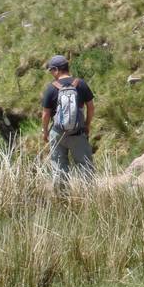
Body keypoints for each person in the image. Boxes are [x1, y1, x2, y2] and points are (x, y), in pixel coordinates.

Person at [40, 55, 95, 192]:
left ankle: (62, 199)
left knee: (59, 167)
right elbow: (91, 107)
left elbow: (46, 114)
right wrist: (87, 125)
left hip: (58, 134)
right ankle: (88, 198)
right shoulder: (81, 84)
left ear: (56, 70)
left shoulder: (51, 88)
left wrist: (45, 131)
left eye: (51, 71)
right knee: (84, 166)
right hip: (78, 133)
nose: (51, 74)